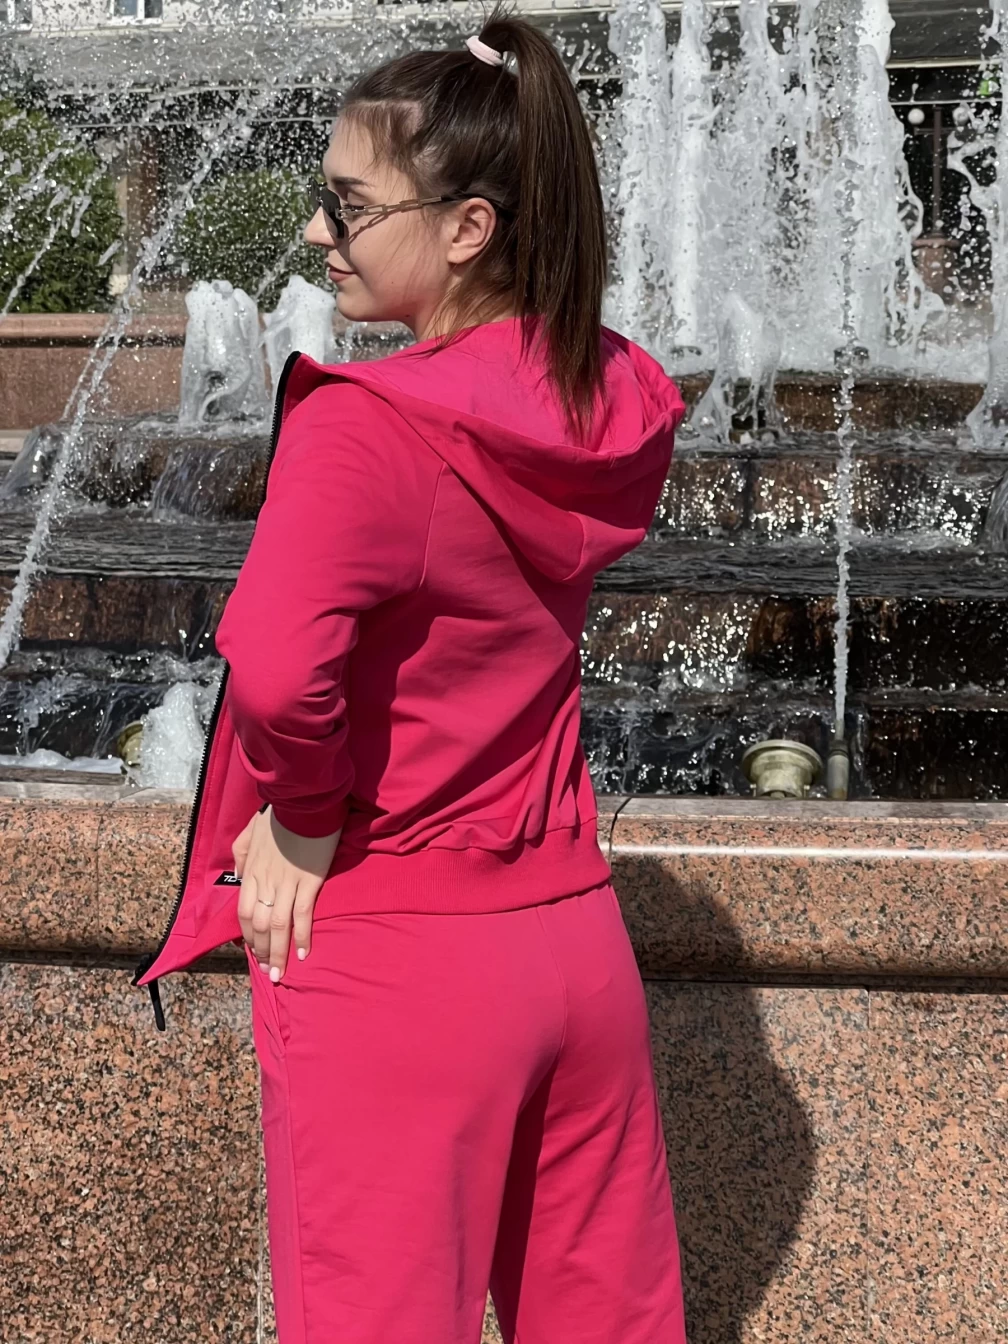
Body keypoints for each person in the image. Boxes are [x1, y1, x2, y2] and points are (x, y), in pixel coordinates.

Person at [135, 4, 688, 1340]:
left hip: (402, 957)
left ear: (467, 228)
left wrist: (306, 814)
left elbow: (279, 671)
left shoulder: (369, 430)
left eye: (349, 204)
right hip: (575, 941)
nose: (317, 230)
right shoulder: (608, 400)